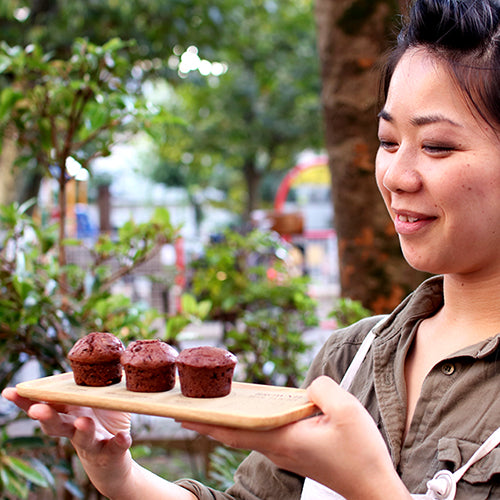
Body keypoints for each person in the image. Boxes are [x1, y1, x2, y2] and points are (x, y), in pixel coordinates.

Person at [3, 0, 500, 498]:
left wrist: (368, 486)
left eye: (437, 146)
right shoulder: (351, 358)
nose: (394, 176)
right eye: (388, 140)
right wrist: (117, 471)